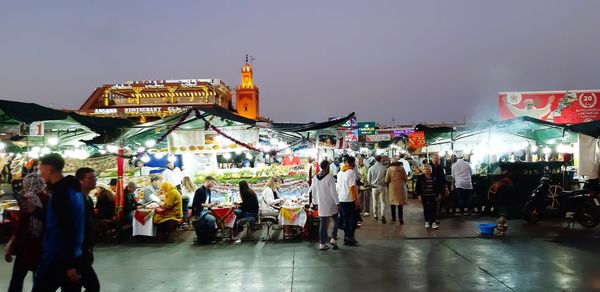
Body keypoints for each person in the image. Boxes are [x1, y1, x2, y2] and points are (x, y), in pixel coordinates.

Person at [33, 153, 93, 291]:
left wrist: (70, 264)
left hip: (58, 256)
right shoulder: (73, 190)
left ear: (49, 169)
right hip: (71, 254)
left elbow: (67, 227)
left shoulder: (61, 193)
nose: (40, 173)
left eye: (40, 168)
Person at [5, 173, 48, 292]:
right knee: (38, 280)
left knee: (17, 279)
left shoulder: (28, 198)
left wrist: (11, 244)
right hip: (42, 245)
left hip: (26, 246)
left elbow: (22, 224)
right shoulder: (47, 198)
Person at [74, 167, 100, 292]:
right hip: (77, 253)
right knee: (93, 286)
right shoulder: (77, 200)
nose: (94, 181)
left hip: (86, 249)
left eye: (95, 178)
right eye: (90, 178)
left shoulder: (88, 199)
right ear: (80, 181)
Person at [311, 160, 340, 250]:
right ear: (327, 167)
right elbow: (333, 192)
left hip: (321, 203)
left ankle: (322, 244)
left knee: (323, 223)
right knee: (336, 219)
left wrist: (315, 202)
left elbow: (314, 191)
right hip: (331, 203)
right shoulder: (329, 178)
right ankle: (333, 238)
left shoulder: (315, 178)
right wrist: (338, 203)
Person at [336, 156, 359, 246]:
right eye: (354, 163)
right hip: (349, 199)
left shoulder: (340, 172)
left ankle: (347, 237)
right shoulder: (351, 172)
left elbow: (337, 187)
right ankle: (349, 236)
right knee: (355, 218)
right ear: (351, 163)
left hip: (341, 198)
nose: (355, 164)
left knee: (346, 219)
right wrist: (356, 200)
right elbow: (352, 187)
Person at [191, 176, 217, 243]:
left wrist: (212, 205)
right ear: (208, 181)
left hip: (206, 210)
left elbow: (207, 202)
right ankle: (211, 237)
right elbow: (197, 203)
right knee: (212, 219)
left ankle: (212, 235)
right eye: (212, 182)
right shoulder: (199, 190)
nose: (213, 184)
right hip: (200, 211)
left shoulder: (208, 190)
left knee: (217, 216)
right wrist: (209, 205)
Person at [385, 158, 408, 224]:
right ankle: (401, 219)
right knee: (400, 204)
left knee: (393, 203)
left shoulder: (389, 169)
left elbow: (386, 180)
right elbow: (405, 178)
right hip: (401, 186)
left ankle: (393, 218)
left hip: (392, 187)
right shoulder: (402, 168)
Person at [416, 165, 439, 229]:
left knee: (433, 208)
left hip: (432, 195)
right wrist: (419, 195)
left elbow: (436, 187)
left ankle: (433, 222)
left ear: (430, 170)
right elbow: (417, 187)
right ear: (423, 170)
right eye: (425, 169)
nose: (427, 171)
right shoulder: (420, 177)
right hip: (424, 195)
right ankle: (427, 221)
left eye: (428, 169)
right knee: (426, 208)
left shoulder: (434, 176)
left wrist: (436, 195)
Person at [368, 155, 388, 223]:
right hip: (382, 187)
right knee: (383, 202)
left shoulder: (371, 168)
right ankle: (383, 216)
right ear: (381, 159)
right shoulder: (385, 168)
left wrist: (370, 185)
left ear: (375, 159)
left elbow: (368, 179)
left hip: (374, 187)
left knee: (375, 201)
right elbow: (387, 178)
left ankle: (375, 215)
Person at [430, 154, 449, 219]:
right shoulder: (429, 167)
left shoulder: (441, 168)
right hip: (431, 187)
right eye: (435, 158)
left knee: (439, 200)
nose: (436, 160)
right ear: (432, 159)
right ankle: (432, 214)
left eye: (437, 159)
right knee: (432, 202)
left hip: (439, 187)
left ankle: (438, 213)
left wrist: (446, 188)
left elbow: (443, 178)